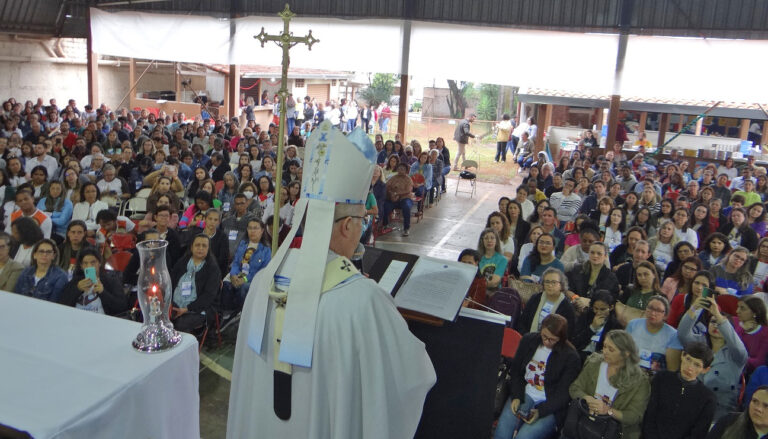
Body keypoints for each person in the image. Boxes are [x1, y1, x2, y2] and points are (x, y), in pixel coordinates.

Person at [227, 122, 435, 438]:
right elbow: (410, 378)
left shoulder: (261, 283)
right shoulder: (363, 301)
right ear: (347, 226)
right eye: (360, 221)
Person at [494, 314, 581, 439]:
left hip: (550, 403)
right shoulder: (528, 340)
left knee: (524, 437)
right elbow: (516, 372)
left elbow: (564, 395)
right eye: (544, 336)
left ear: (561, 338)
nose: (546, 341)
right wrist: (516, 396)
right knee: (502, 431)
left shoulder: (571, 357)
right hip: (525, 392)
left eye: (552, 339)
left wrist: (541, 411)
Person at [567, 330, 651, 439]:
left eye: (611, 349)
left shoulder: (639, 382)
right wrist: (587, 399)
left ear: (626, 354)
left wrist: (609, 411)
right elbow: (574, 388)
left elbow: (634, 416)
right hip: (583, 421)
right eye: (604, 346)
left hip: (615, 432)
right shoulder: (594, 363)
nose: (605, 351)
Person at [678, 291, 748, 420]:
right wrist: (694, 308)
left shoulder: (736, 354)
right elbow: (682, 334)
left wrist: (717, 314)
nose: (716, 326)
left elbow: (738, 346)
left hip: (720, 410)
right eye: (712, 322)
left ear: (728, 330)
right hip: (691, 402)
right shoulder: (699, 343)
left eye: (719, 323)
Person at [642, 342, 716, 439]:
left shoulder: (707, 398)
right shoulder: (661, 378)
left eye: (697, 365)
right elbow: (649, 415)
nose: (690, 367)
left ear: (705, 370)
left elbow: (698, 433)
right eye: (688, 359)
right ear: (682, 355)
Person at [169, 233, 221, 333]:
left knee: (180, 324)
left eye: (204, 246)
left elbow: (208, 296)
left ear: (208, 249)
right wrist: (171, 304)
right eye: (197, 245)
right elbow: (171, 283)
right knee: (161, 317)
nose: (200, 248)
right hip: (176, 304)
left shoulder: (213, 269)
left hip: (199, 308)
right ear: (191, 247)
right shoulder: (182, 262)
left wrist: (187, 309)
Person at [58, 247, 129, 316]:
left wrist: (103, 292)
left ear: (99, 263)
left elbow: (122, 307)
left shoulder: (111, 282)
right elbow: (61, 305)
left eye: (93, 262)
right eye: (85, 263)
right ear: (81, 266)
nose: (89, 266)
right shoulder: (75, 282)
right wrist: (77, 290)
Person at [222, 218, 271, 312]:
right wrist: (233, 275)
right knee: (226, 284)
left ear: (262, 230)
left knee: (244, 287)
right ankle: (226, 312)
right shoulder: (242, 244)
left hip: (253, 279)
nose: (252, 231)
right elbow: (236, 263)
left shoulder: (266, 250)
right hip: (238, 275)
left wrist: (244, 279)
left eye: (255, 228)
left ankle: (241, 312)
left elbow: (261, 272)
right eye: (250, 228)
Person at [625, 295, 683, 372]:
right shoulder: (633, 324)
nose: (653, 313)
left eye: (658, 310)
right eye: (650, 308)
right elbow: (623, 351)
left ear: (665, 315)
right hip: (630, 370)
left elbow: (672, 369)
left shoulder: (673, 335)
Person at [517, 267, 576, 337]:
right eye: (547, 282)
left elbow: (567, 333)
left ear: (561, 285)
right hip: (529, 339)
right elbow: (522, 322)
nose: (550, 285)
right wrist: (527, 338)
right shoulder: (535, 298)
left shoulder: (567, 307)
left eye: (554, 282)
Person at [566, 242, 619, 312]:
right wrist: (575, 298)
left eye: (599, 253)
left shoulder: (611, 277)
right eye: (592, 252)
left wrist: (588, 302)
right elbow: (567, 288)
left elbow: (611, 299)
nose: (595, 256)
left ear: (605, 256)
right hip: (575, 306)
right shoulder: (577, 269)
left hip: (597, 311)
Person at [13, 239, 68, 303]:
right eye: (41, 251)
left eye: (48, 252)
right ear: (35, 255)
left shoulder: (60, 276)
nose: (44, 254)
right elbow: (16, 295)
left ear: (53, 256)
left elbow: (54, 302)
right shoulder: (25, 272)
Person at [734, 296, 768, 375]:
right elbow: (730, 347)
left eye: (742, 308)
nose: (737, 311)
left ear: (755, 313)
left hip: (750, 374)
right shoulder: (734, 322)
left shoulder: (765, 332)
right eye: (738, 307)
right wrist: (741, 329)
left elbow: (759, 362)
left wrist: (736, 358)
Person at [380, 163, 414, 237]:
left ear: (406, 171)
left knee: (406, 207)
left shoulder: (408, 179)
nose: (400, 170)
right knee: (385, 206)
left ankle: (406, 228)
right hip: (393, 199)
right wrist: (391, 193)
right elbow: (387, 186)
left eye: (403, 169)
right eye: (399, 168)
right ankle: (385, 224)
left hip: (405, 198)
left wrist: (396, 194)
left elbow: (408, 190)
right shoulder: (393, 178)